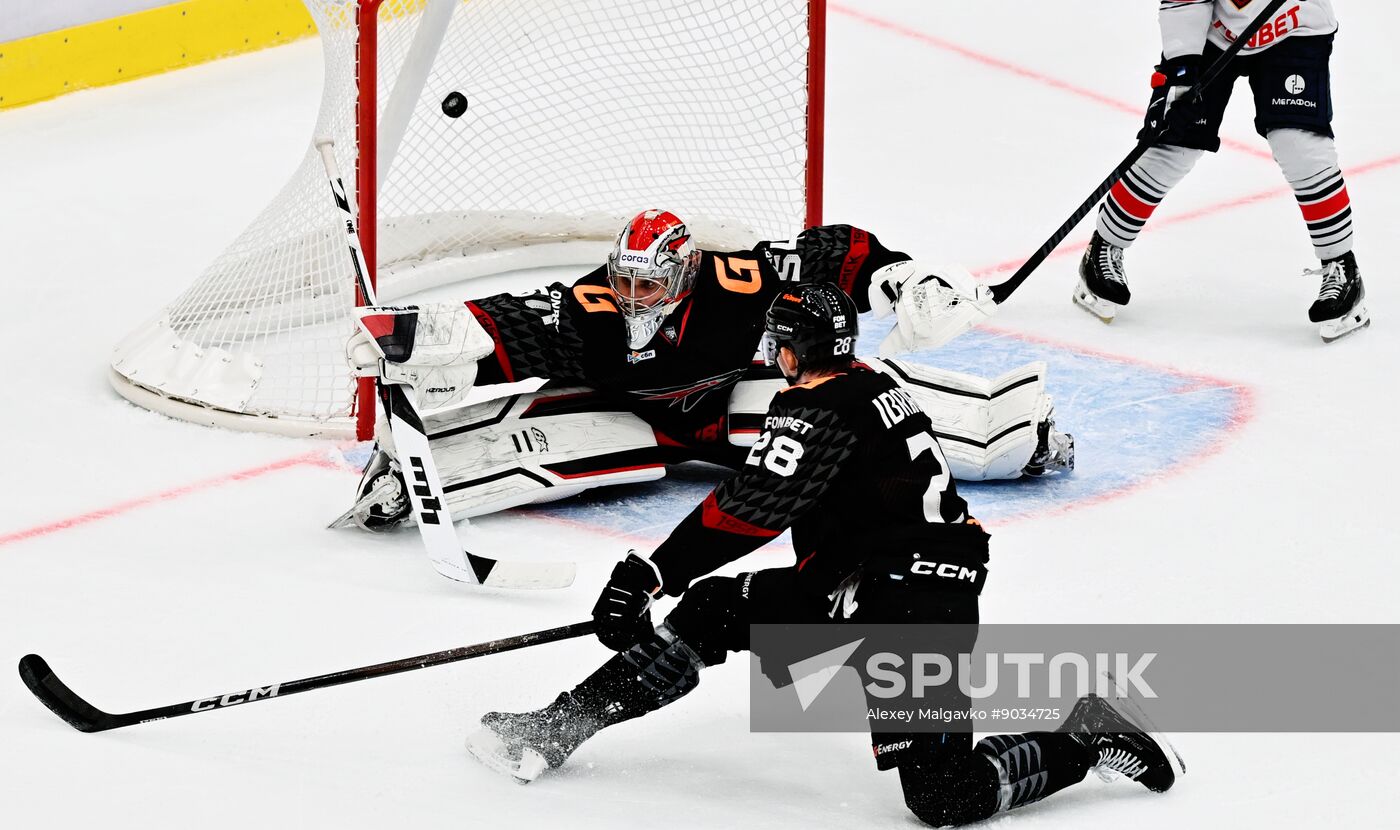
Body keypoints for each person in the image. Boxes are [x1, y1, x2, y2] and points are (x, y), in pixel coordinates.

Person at [463, 283, 1177, 827]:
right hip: (868, 580)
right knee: (714, 613)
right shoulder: (868, 384)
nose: (771, 357)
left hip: (914, 602)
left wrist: (655, 572)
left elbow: (751, 509)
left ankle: (1086, 735)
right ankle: (555, 730)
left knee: (941, 796)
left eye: (777, 343)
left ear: (794, 349)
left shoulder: (817, 408)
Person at [339, 210, 1073, 532]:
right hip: (646, 422)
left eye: (649, 284)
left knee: (855, 410)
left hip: (738, 405)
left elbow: (826, 254)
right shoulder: (590, 305)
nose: (633, 297)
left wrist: (897, 276)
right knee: (538, 442)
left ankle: (1013, 431)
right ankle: (407, 484)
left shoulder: (738, 281)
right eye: (625, 280)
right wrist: (413, 339)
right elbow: (507, 323)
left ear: (685, 272)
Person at [1076, 0, 1368, 342]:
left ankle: (1341, 266)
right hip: (1211, 33)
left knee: (1300, 145)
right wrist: (1182, 70)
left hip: (1295, 27)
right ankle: (1104, 246)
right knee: (1173, 144)